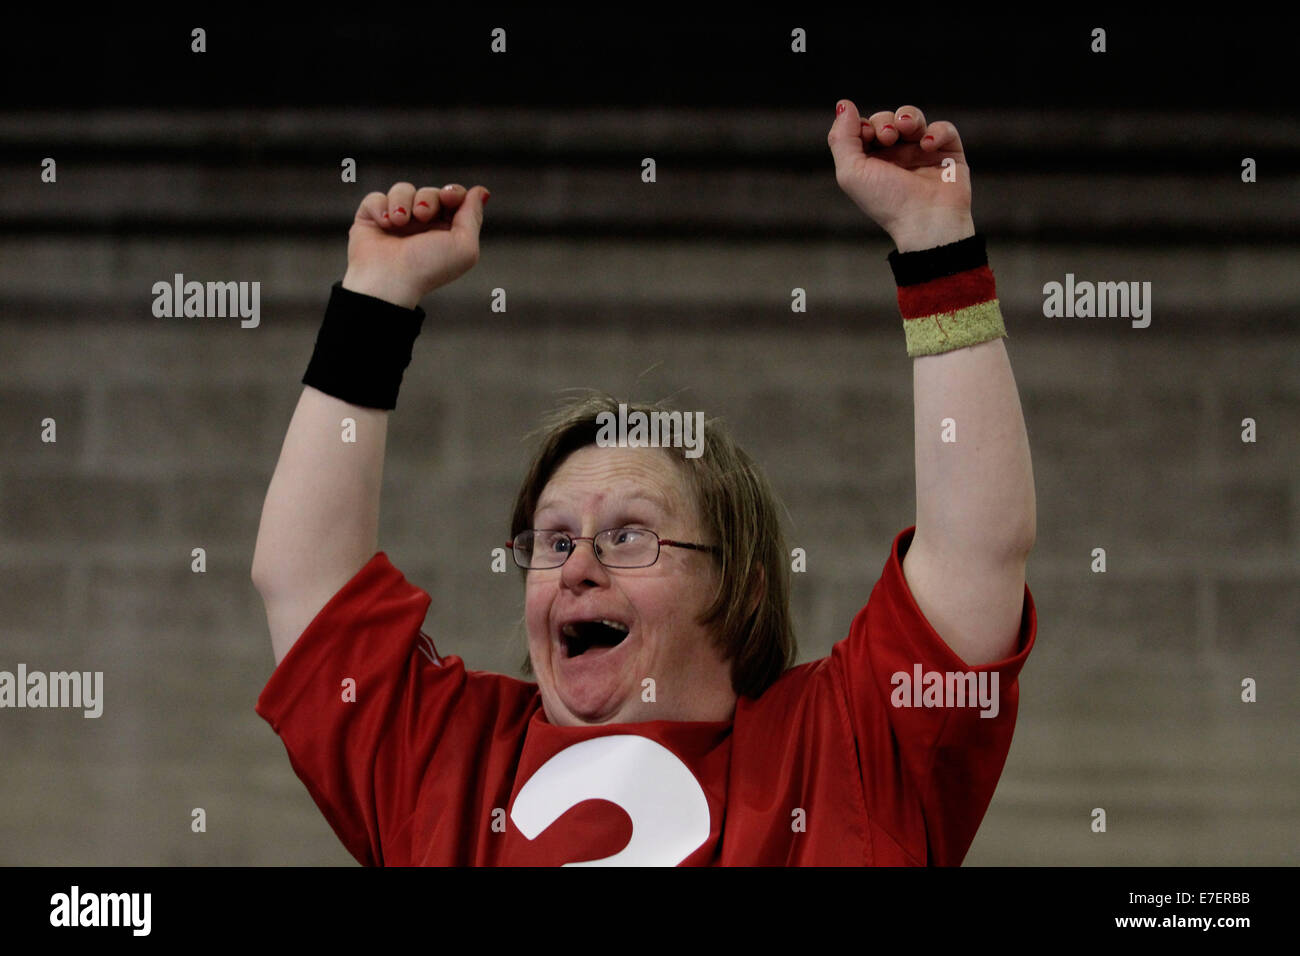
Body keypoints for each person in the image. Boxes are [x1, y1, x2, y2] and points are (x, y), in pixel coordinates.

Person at [251, 101, 1038, 865]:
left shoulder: (846, 755)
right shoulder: (450, 764)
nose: (576, 568)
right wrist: (375, 302)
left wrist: (937, 244)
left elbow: (976, 555)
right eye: (554, 540)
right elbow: (304, 580)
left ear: (747, 587)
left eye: (628, 535)